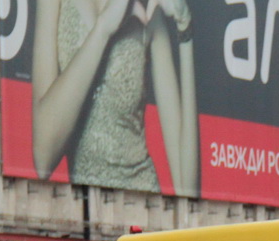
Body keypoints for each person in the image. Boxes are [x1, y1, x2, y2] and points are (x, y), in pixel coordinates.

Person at [32, 0, 198, 195]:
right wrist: (103, 29)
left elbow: (186, 187)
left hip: (140, 207)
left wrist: (184, 27)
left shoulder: (149, 12)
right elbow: (43, 159)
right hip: (86, 214)